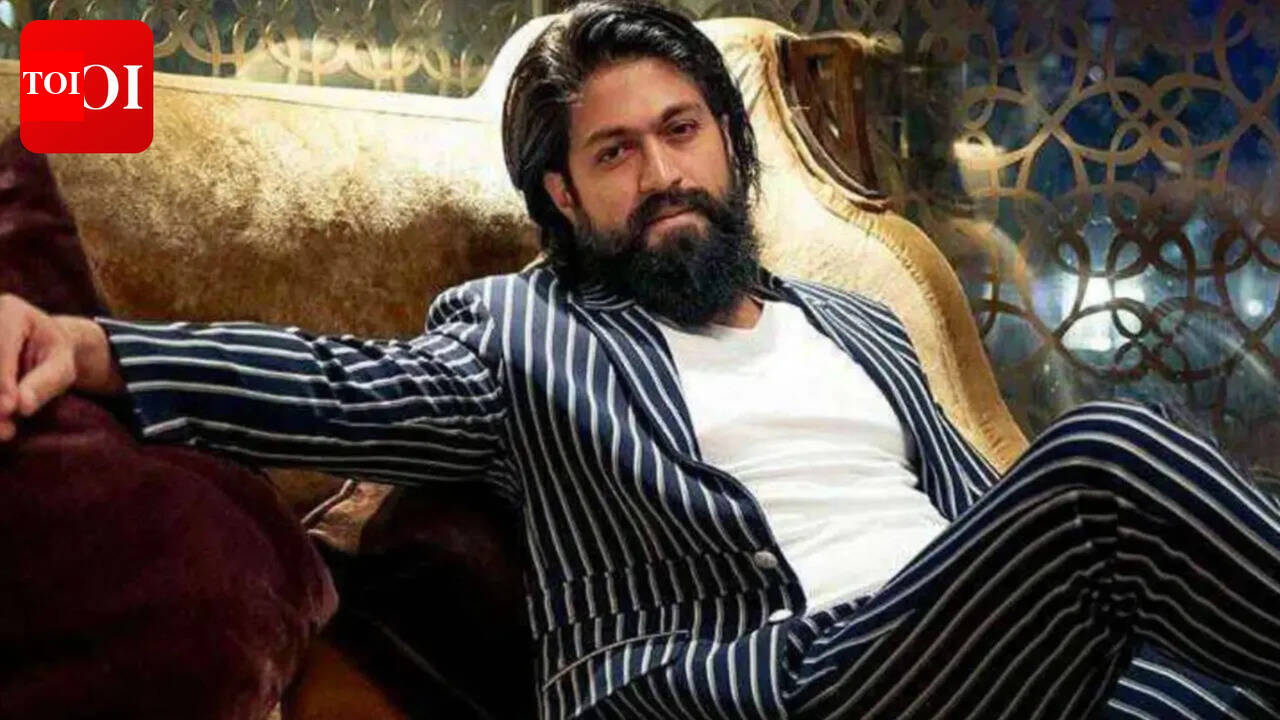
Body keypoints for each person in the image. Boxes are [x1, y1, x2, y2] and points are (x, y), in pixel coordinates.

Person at [2, 2, 1278, 718]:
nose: (663, 172)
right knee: (1104, 458)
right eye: (615, 152)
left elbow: (988, 523)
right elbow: (340, 387)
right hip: (742, 684)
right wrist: (86, 344)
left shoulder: (860, 325)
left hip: (969, 666)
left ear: (729, 144)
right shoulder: (518, 333)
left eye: (682, 131)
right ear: (562, 194)